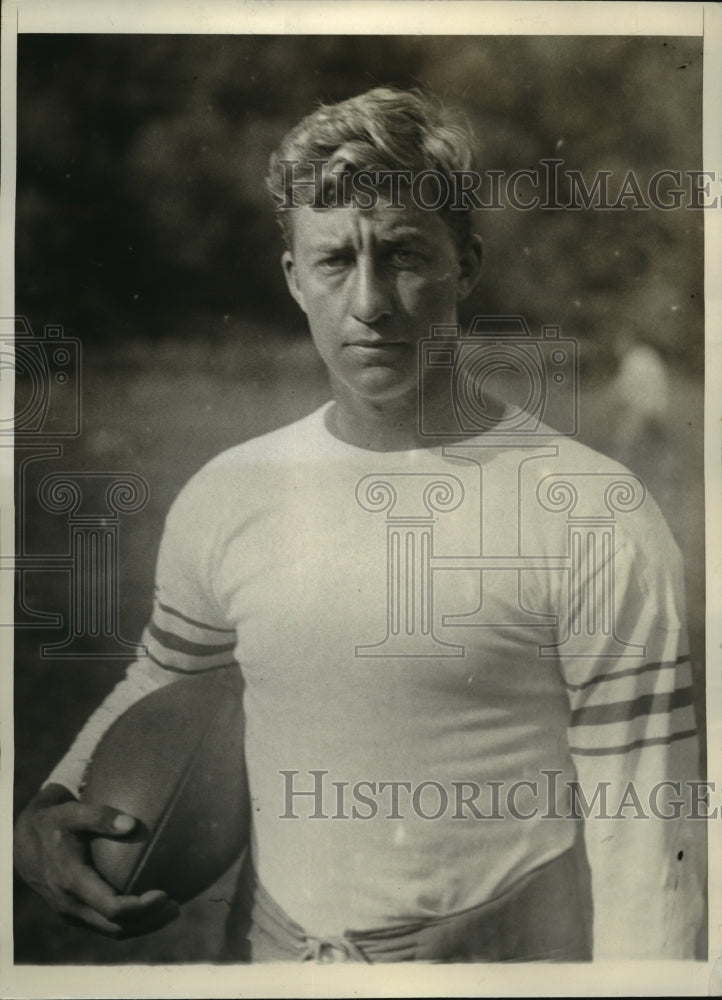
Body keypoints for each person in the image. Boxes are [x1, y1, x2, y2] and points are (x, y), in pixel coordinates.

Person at [14, 87, 704, 962]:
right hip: (270, 960)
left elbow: (651, 856)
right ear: (293, 279)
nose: (370, 301)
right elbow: (167, 675)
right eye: (336, 261)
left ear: (469, 266)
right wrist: (54, 800)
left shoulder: (595, 513)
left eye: (406, 254)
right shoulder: (232, 492)